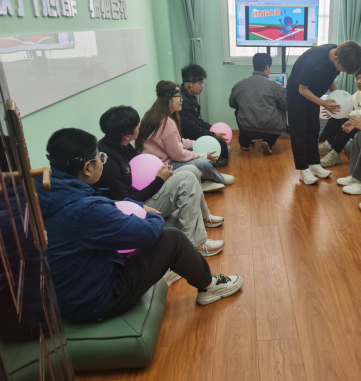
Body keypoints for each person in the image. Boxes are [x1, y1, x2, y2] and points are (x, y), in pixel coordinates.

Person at [36, 128, 243, 322]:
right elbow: (147, 234)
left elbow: (103, 203)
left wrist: (135, 206)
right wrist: (151, 215)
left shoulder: (43, 190)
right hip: (95, 302)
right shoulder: (85, 210)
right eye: (100, 158)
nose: (102, 161)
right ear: (87, 168)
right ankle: (209, 286)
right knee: (173, 239)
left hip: (66, 297)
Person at [96, 105, 226, 263]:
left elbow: (141, 169)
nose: (139, 127)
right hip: (134, 209)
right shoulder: (109, 162)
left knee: (191, 169)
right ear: (127, 135)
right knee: (187, 178)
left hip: (141, 194)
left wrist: (161, 172)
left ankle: (204, 218)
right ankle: (194, 244)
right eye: (137, 125)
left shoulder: (119, 144)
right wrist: (159, 180)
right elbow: (127, 201)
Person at [286, 40, 361, 185]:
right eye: (342, 69)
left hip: (313, 94)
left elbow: (330, 79)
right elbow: (302, 90)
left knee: (313, 128)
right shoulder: (313, 62)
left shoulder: (340, 54)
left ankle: (314, 164)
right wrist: (324, 103)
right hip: (297, 95)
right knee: (300, 132)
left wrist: (338, 97)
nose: (341, 71)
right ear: (336, 58)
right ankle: (303, 169)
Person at [136, 81, 234, 190]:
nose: (181, 99)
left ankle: (206, 178)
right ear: (168, 99)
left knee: (204, 155)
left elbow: (178, 141)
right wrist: (203, 155)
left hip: (166, 159)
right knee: (204, 163)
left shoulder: (155, 114)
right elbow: (178, 155)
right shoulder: (165, 122)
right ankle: (213, 179)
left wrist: (197, 144)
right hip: (164, 166)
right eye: (178, 96)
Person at [319, 65, 361, 168]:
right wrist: (334, 111)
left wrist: (342, 113)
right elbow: (348, 102)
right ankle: (328, 145)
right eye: (357, 78)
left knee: (348, 122)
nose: (358, 81)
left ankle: (335, 154)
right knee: (338, 117)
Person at [229, 53, 287, 155]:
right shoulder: (276, 86)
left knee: (238, 111)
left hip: (247, 128)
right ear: (267, 67)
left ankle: (244, 142)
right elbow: (286, 106)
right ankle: (268, 142)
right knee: (281, 109)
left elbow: (232, 104)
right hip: (271, 130)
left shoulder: (239, 85)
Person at [180, 64, 232, 168]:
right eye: (200, 83)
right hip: (186, 138)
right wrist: (213, 135)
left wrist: (211, 128)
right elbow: (192, 130)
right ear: (189, 84)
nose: (202, 86)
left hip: (191, 133)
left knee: (223, 146)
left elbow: (197, 121)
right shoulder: (183, 102)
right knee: (222, 146)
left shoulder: (190, 96)